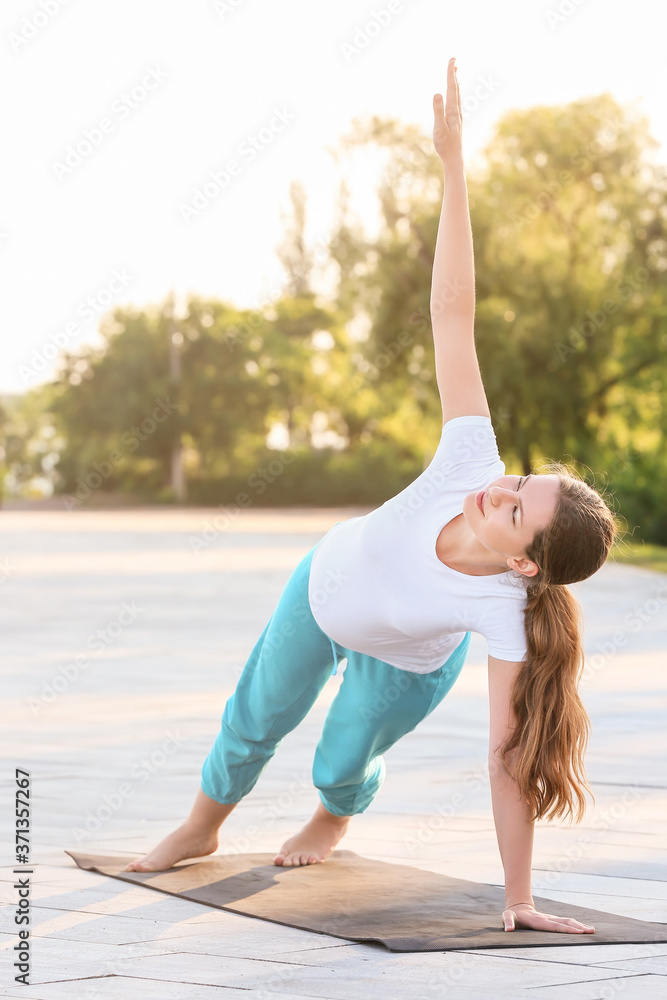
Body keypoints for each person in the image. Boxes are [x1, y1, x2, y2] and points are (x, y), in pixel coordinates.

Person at [126, 59, 615, 935]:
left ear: (523, 560)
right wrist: (453, 164)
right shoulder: (471, 457)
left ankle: (334, 814)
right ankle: (201, 827)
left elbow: (506, 758)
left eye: (513, 505)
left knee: (341, 755)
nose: (497, 488)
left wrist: (518, 901)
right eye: (518, 479)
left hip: (407, 663)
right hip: (322, 589)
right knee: (255, 718)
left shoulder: (503, 610)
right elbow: (451, 313)